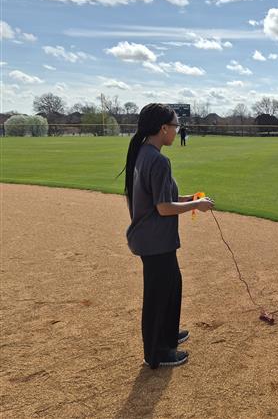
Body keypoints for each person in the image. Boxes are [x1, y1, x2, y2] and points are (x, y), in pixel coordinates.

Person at [122, 103, 214, 368]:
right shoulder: (158, 160)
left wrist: (189, 198)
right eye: (175, 125)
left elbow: (157, 198)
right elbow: (163, 208)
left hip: (151, 237)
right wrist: (197, 205)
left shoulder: (143, 153)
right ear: (163, 128)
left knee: (171, 286)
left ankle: (167, 335)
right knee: (159, 295)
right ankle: (157, 352)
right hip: (155, 240)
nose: (177, 130)